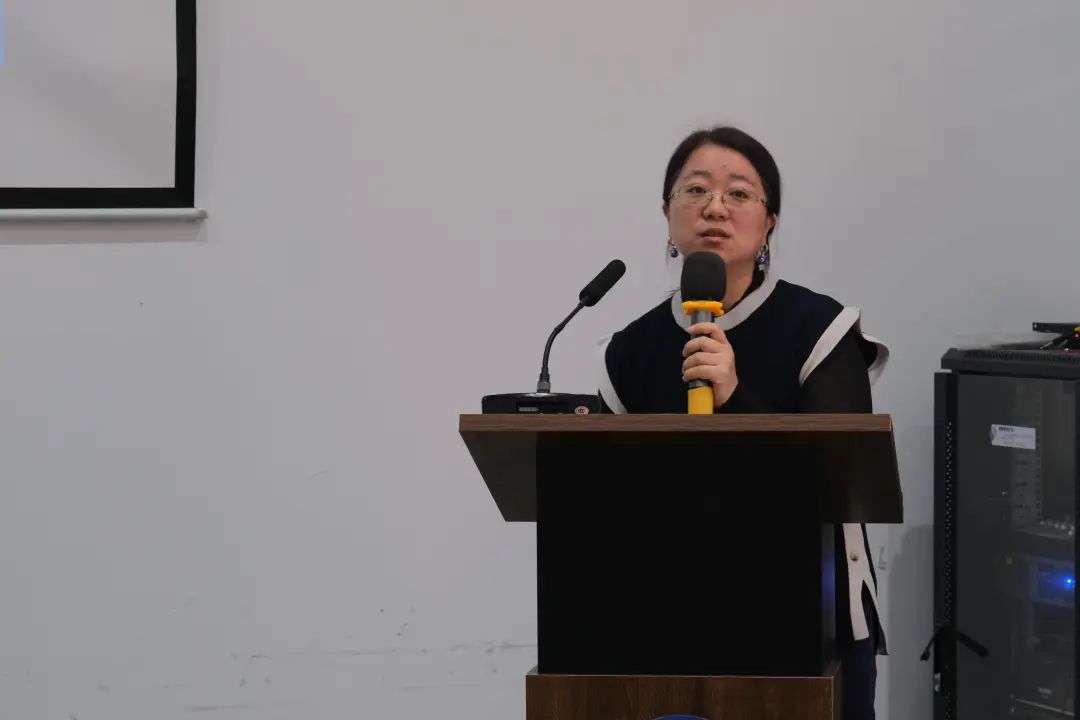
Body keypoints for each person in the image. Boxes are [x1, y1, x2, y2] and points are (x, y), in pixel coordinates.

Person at [597, 125, 888, 720]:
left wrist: (734, 396)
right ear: (667, 214)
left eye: (738, 193)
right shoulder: (631, 349)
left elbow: (840, 476)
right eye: (695, 190)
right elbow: (605, 498)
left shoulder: (821, 328)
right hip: (666, 617)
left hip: (808, 615)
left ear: (769, 221)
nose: (714, 207)